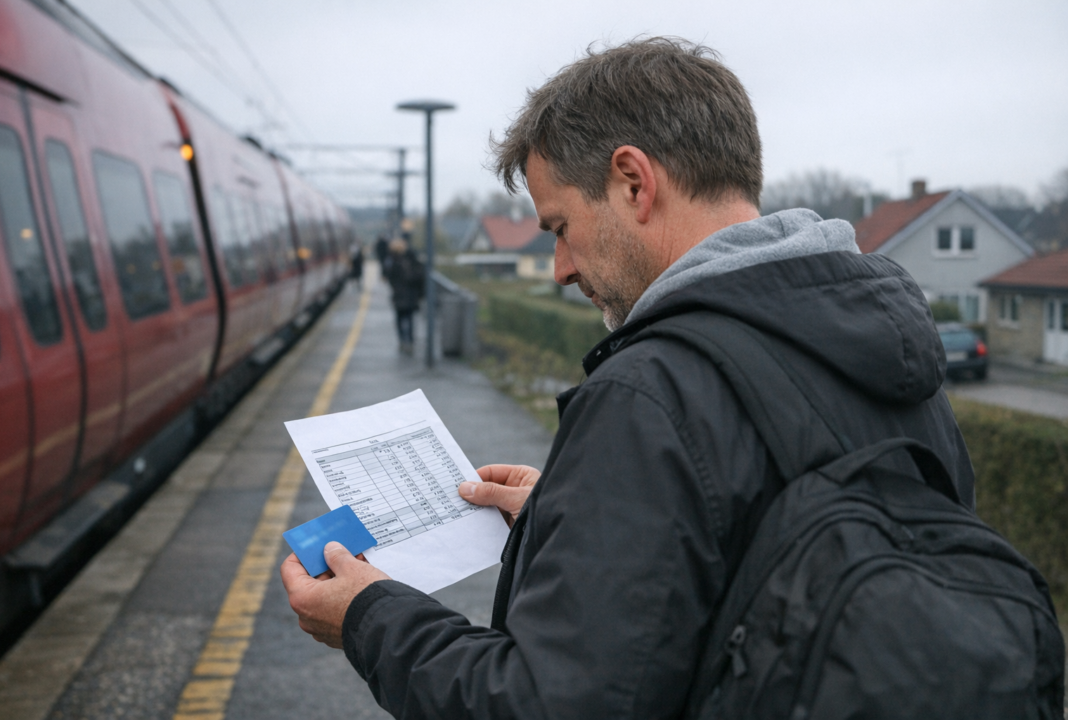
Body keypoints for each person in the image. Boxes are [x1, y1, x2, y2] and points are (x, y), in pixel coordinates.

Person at [281, 38, 980, 717]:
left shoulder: (652, 390)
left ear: (633, 182)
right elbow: (768, 575)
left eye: (559, 227)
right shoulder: (891, 353)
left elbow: (548, 704)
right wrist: (571, 518)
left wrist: (369, 616)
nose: (560, 268)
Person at [385, 238, 424, 354]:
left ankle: (402, 340)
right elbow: (420, 276)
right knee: (410, 319)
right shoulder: (412, 258)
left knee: (399, 319)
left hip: (398, 295)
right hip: (411, 295)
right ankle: (410, 341)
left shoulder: (392, 261)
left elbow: (390, 278)